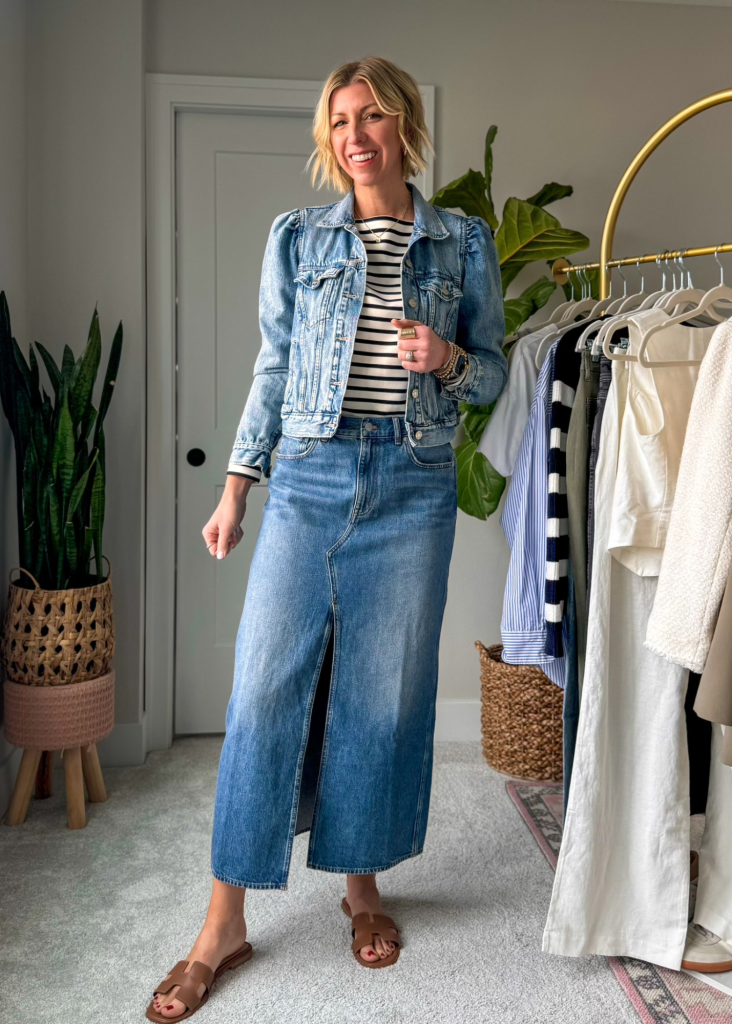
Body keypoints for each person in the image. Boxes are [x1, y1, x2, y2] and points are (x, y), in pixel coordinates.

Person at [147, 55, 506, 1022]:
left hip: (414, 483)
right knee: (264, 682)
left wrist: (449, 356)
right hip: (308, 477)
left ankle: (360, 888)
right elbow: (272, 371)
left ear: (405, 128)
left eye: (373, 117)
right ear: (328, 137)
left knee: (379, 699)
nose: (355, 135)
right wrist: (236, 490)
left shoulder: (462, 241)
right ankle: (221, 922)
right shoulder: (297, 239)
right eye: (341, 120)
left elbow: (494, 377)